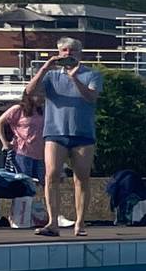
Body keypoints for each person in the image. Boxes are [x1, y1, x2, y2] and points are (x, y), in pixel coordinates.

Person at [26, 38, 102, 237]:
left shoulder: (91, 74)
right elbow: (29, 91)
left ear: (80, 53)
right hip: (55, 132)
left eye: (73, 50)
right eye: (64, 50)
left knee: (82, 178)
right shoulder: (51, 76)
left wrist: (74, 78)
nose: (69, 54)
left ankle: (80, 222)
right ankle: (52, 222)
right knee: (51, 174)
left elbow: (91, 97)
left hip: (82, 133)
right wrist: (44, 67)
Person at [0, 81, 44, 228]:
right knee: (24, 184)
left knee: (41, 184)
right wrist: (5, 142)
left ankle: (35, 215)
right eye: (38, 94)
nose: (41, 97)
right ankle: (20, 216)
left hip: (40, 153)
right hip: (22, 151)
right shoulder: (18, 110)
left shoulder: (42, 111)